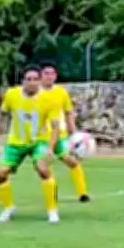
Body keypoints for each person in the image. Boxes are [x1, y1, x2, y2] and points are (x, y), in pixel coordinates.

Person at [0, 65, 62, 224]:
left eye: (35, 79)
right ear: (23, 81)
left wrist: (50, 148)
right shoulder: (12, 94)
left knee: (43, 169)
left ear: (40, 81)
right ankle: (8, 208)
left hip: (38, 141)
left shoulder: (50, 100)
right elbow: (1, 113)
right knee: (0, 174)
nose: (32, 82)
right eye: (28, 79)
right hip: (15, 143)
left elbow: (55, 127)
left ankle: (52, 210)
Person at [40, 62, 90, 202]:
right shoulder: (35, 94)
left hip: (59, 136)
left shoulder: (61, 92)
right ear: (41, 76)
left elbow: (68, 113)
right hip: (42, 138)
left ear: (56, 76)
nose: (50, 76)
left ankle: (83, 194)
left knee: (72, 162)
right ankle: (52, 194)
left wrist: (74, 134)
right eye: (46, 73)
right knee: (44, 167)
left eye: (52, 73)